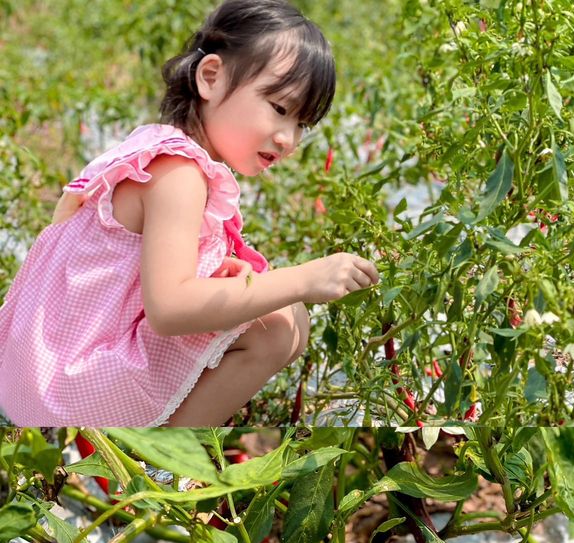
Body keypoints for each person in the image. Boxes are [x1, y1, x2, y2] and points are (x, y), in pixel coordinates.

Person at [0, 0, 378, 426]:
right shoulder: (179, 174)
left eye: (302, 124)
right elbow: (170, 309)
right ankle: (164, 472)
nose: (288, 138)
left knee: (274, 315)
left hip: (38, 372)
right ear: (211, 77)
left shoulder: (159, 149)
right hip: (62, 386)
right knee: (279, 324)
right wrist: (306, 279)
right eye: (279, 108)